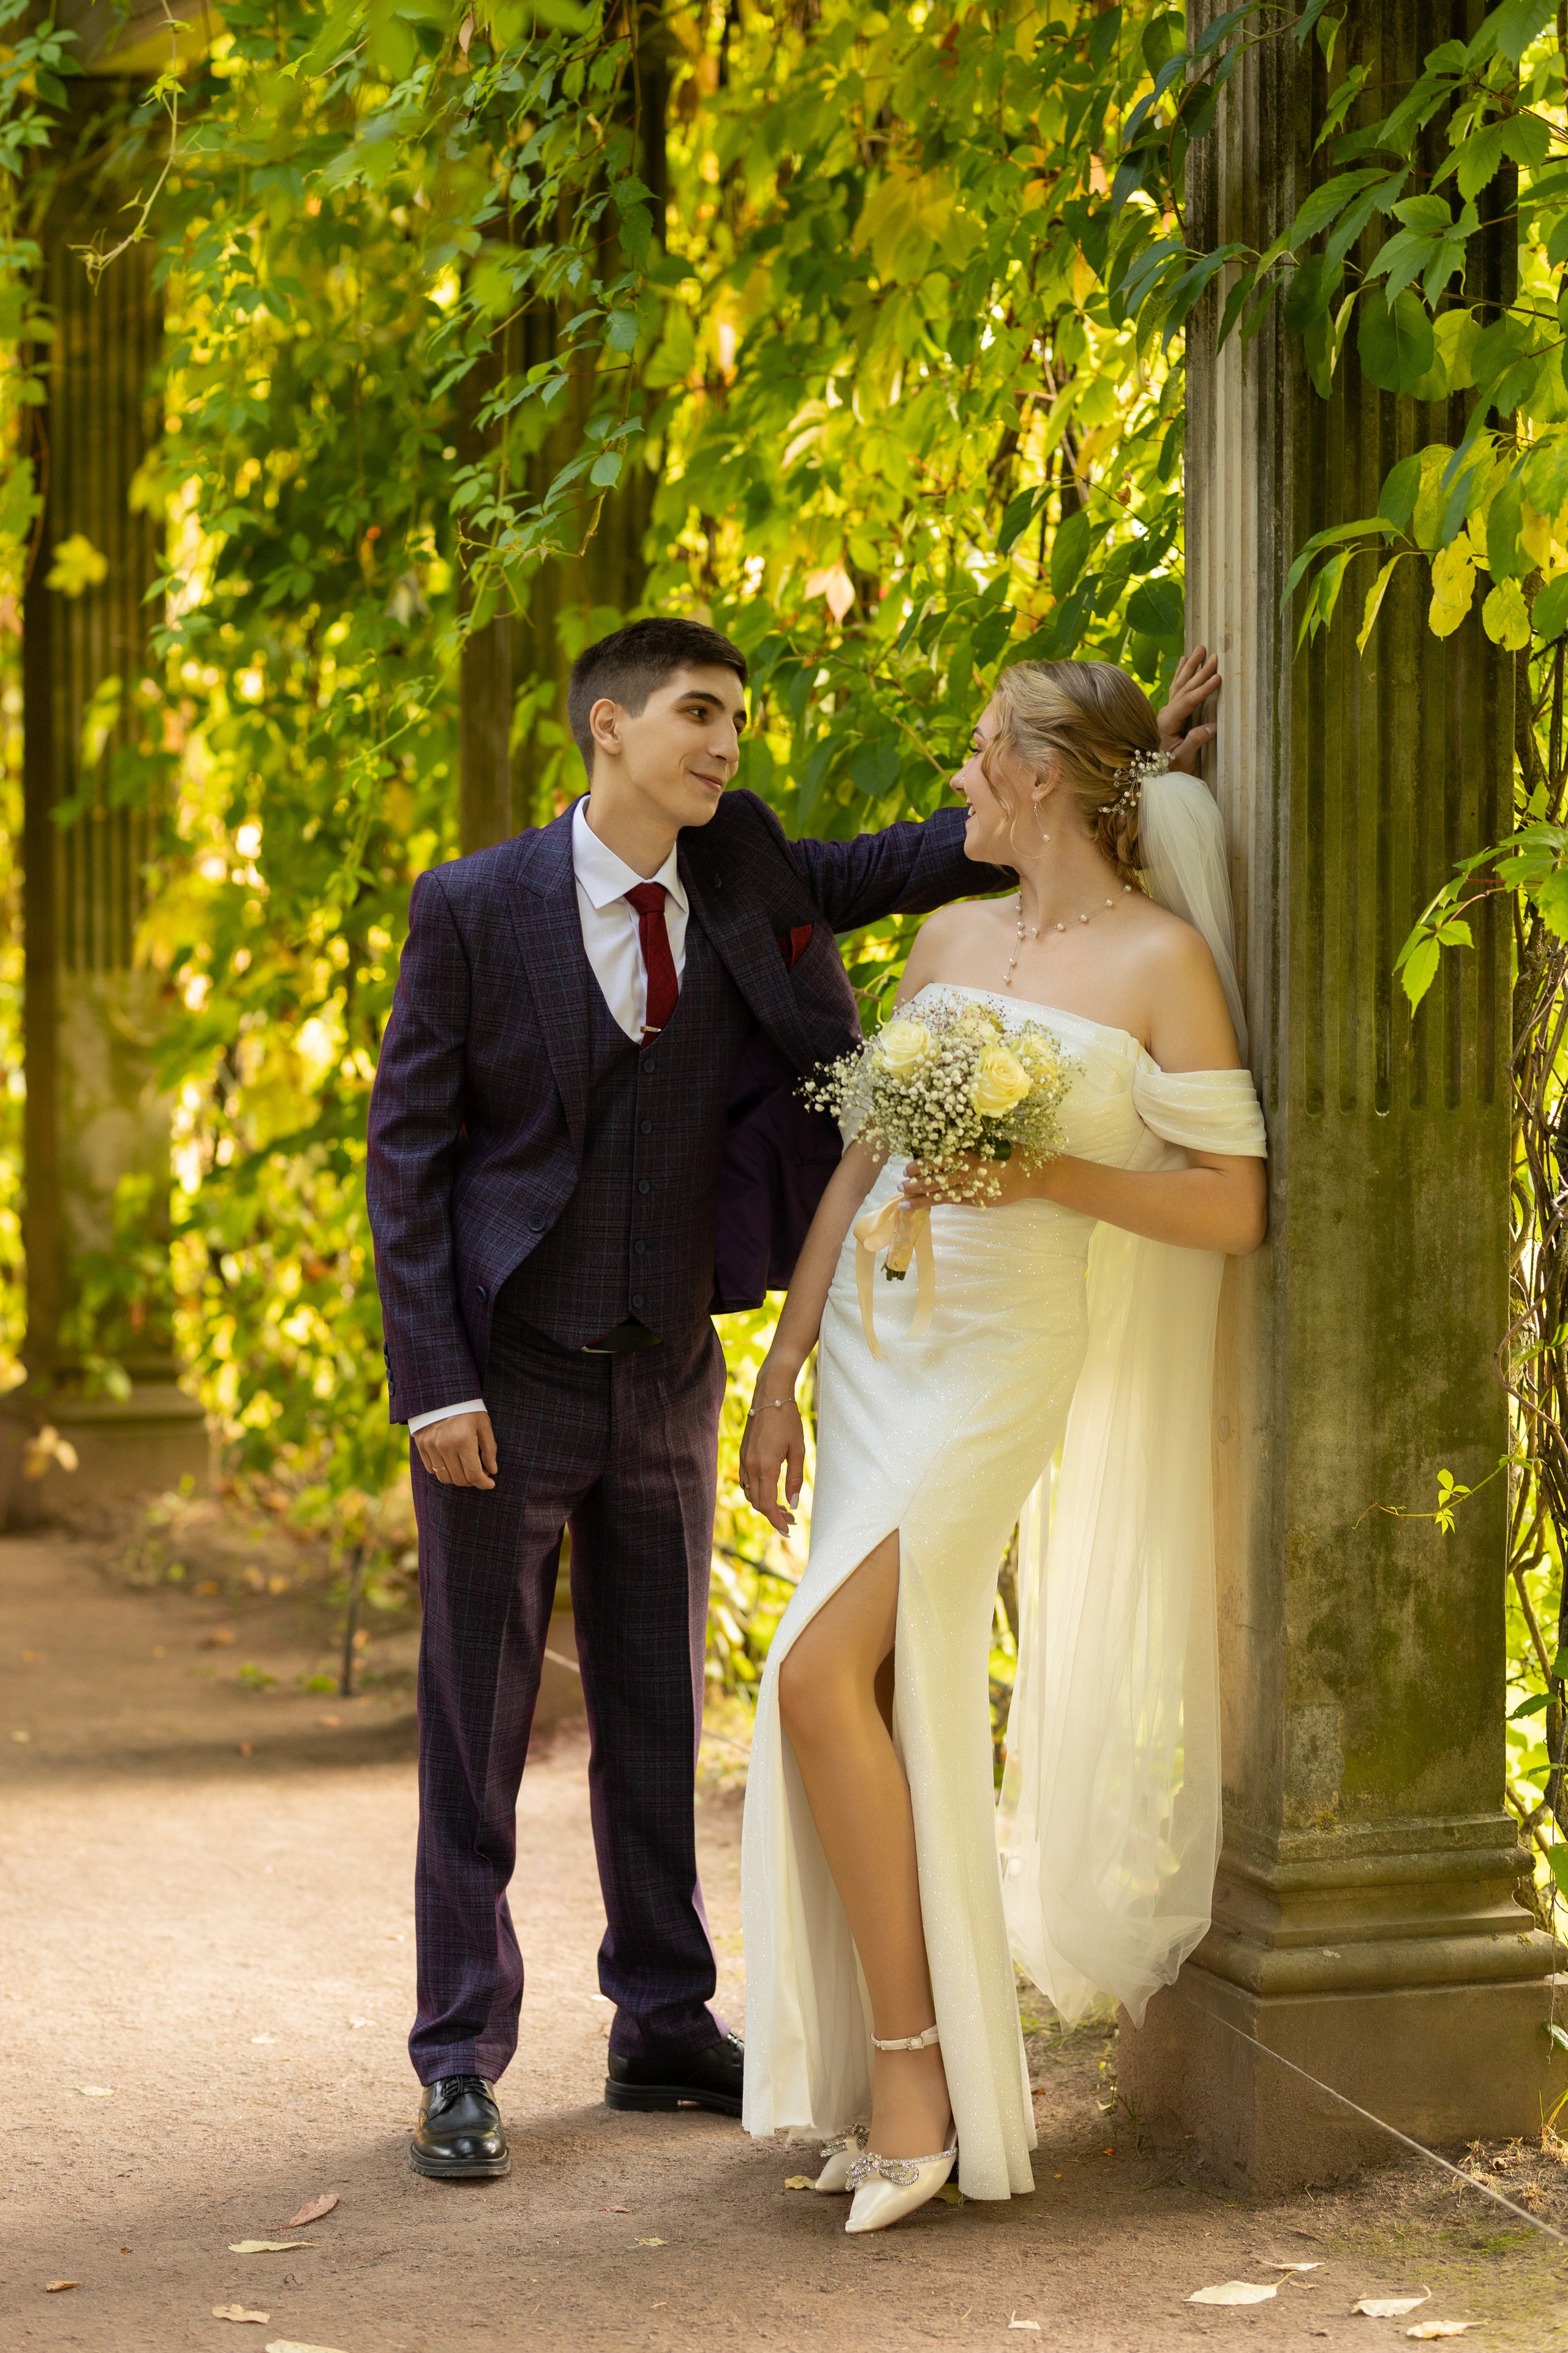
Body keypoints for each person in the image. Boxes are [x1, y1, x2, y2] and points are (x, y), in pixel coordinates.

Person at [366, 616, 1218, 2183]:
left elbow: (922, 857)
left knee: (652, 1705)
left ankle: (662, 2018)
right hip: (510, 1371)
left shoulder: (743, 862)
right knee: (475, 1720)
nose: (725, 744)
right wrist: (432, 1385)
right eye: (698, 714)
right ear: (607, 726)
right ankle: (459, 2052)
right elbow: (407, 1155)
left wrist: (1129, 766)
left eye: (738, 722)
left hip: (672, 1365)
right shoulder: (474, 908)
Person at [737, 657, 1267, 2232]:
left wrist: (1046, 1179)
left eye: (978, 755)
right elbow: (858, 1165)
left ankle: (915, 2071)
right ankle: (884, 2085)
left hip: (1004, 1355)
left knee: (809, 1673)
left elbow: (1229, 1206)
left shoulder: (1163, 960)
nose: (958, 778)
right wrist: (777, 1368)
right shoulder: (952, 937)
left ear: (1039, 775)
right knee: (866, 1690)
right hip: (877, 1344)